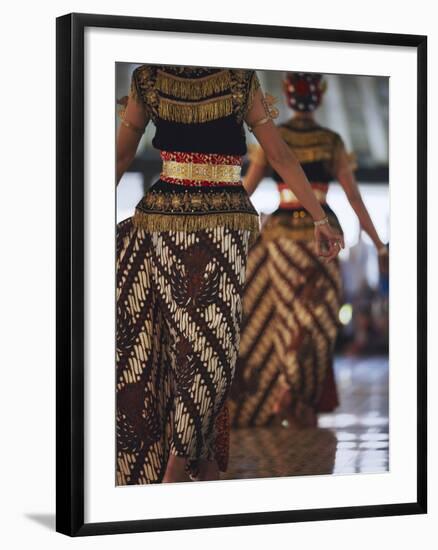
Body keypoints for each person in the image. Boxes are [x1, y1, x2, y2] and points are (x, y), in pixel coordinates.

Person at [115, 65, 343, 485]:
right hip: (202, 222)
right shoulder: (226, 78)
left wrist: (318, 216)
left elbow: (121, 155)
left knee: (202, 345)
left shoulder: (157, 78)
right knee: (206, 347)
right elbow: (277, 156)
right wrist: (318, 217)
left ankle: (188, 461)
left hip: (190, 220)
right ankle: (177, 467)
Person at [230, 72, 388, 429]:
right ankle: (294, 392)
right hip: (324, 238)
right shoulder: (330, 140)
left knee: (286, 320)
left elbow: (245, 191)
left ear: (288, 97)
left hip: (281, 241)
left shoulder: (277, 137)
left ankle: (286, 391)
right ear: (319, 98)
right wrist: (378, 244)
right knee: (318, 323)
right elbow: (354, 198)